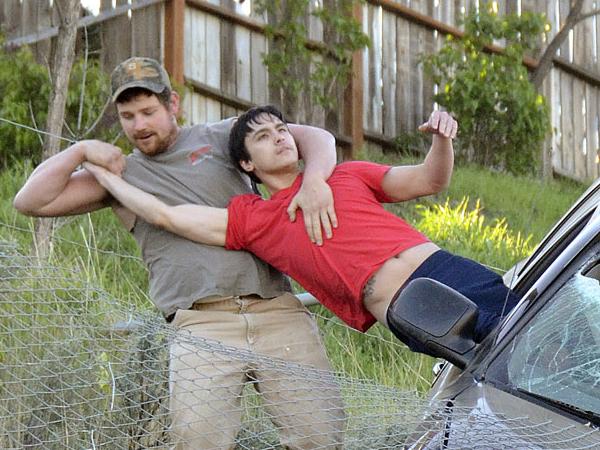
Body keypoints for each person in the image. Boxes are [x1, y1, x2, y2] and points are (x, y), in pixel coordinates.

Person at [13, 58, 345, 449]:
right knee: (197, 441)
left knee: (320, 436)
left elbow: (318, 138)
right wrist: (81, 150)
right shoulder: (118, 176)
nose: (140, 125)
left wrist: (315, 181)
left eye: (149, 111)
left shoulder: (222, 136)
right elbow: (29, 201)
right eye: (128, 115)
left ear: (173, 104)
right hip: (201, 325)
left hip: (275, 309)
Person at [82, 104, 520, 357]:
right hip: (410, 306)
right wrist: (106, 179)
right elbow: (166, 216)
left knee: (547, 335)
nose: (279, 138)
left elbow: (430, 180)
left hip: (446, 268)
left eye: (281, 129)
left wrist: (442, 140)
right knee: (502, 369)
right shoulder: (254, 218)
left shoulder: (345, 175)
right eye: (262, 136)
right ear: (247, 165)